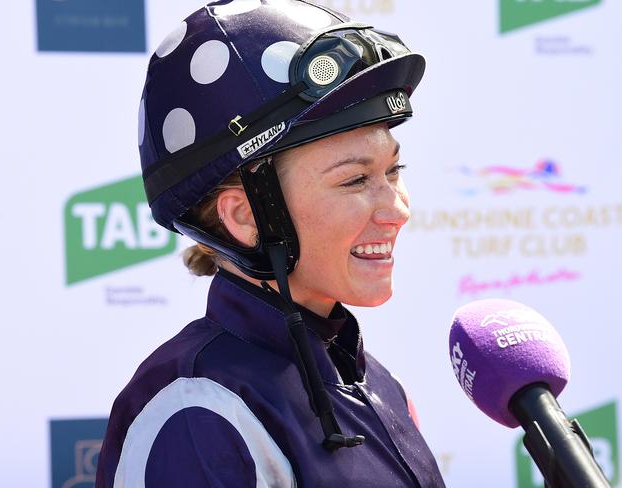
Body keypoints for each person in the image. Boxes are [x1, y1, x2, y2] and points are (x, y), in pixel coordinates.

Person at [96, 0, 445, 486]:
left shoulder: (378, 383)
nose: (398, 209)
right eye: (355, 180)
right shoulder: (198, 408)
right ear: (245, 216)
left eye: (392, 171)